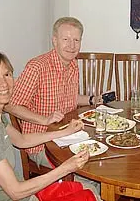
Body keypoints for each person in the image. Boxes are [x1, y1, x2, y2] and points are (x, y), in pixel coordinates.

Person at [0, 51, 96, 201]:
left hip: (22, 192)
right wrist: (66, 168)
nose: (4, 83)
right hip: (17, 196)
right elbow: (15, 192)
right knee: (90, 194)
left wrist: (65, 132)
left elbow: (21, 140)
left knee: (89, 189)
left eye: (7, 74)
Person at [5, 17, 101, 167]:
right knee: (90, 168)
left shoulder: (73, 64)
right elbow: (10, 106)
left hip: (67, 134)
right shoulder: (37, 67)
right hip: (42, 144)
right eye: (66, 39)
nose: (71, 45)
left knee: (101, 153)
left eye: (76, 40)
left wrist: (91, 100)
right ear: (55, 40)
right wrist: (44, 119)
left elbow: (68, 98)